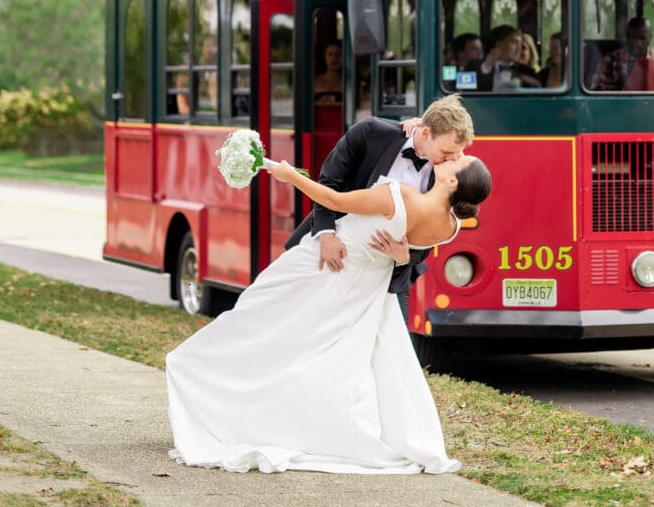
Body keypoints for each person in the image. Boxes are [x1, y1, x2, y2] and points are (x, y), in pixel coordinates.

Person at [166, 120, 492, 475]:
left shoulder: (400, 194)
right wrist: (398, 254)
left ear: (452, 181)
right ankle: (300, 424)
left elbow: (334, 199)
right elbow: (407, 240)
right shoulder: (450, 225)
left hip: (325, 272)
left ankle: (207, 383)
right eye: (454, 152)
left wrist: (288, 175)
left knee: (258, 317)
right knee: (331, 358)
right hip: (363, 289)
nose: (456, 156)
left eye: (458, 159)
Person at [285, 94, 476, 319]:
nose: (451, 160)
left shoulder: (449, 175)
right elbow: (330, 181)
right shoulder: (371, 132)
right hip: (333, 256)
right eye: (446, 152)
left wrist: (405, 256)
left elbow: (433, 231)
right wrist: (326, 235)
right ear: (425, 133)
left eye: (456, 154)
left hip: (389, 278)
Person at [592, 16, 654, 91]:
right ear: (627, 36)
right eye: (633, 37)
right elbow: (597, 89)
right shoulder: (611, 59)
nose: (637, 43)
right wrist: (618, 88)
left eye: (642, 38)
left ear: (650, 38)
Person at [476, 25, 540, 91]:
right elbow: (471, 91)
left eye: (520, 44)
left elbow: (537, 93)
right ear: (499, 44)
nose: (519, 48)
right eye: (514, 42)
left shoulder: (528, 72)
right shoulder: (475, 67)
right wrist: (487, 66)